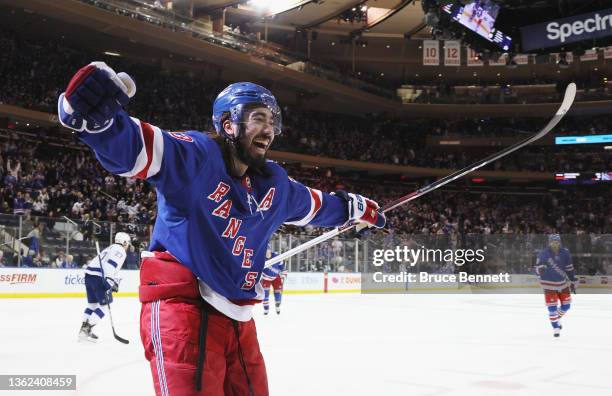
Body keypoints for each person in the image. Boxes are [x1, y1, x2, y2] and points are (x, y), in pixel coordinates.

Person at [58, 61, 385, 395]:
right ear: (229, 124)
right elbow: (136, 149)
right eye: (259, 118)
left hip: (239, 320)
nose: (269, 129)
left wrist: (353, 209)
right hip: (182, 311)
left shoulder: (275, 185)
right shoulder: (197, 155)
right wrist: (97, 124)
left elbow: (317, 206)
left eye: (273, 121)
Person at [78, 231, 131, 342]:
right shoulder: (120, 250)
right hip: (99, 277)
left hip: (90, 275)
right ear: (124, 242)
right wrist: (109, 282)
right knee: (104, 306)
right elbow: (110, 265)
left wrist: (111, 280)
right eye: (128, 243)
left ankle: (83, 330)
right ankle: (86, 330)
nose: (128, 246)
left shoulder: (111, 247)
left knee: (92, 304)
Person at [534, 234, 576, 338]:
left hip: (563, 283)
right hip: (548, 284)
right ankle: (555, 327)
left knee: (566, 305)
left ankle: (556, 318)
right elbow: (537, 269)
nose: (555, 244)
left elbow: (569, 268)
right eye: (553, 242)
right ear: (549, 242)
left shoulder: (565, 252)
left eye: (557, 242)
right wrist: (540, 270)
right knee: (552, 309)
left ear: (560, 242)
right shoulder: (543, 254)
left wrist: (573, 280)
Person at [260, 246, 287, 315]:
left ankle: (277, 306)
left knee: (278, 293)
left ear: (270, 250)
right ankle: (266, 309)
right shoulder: (261, 258)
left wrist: (284, 274)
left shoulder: (276, 256)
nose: (267, 252)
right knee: (265, 295)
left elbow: (282, 267)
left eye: (268, 250)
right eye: (265, 251)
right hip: (266, 278)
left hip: (276, 277)